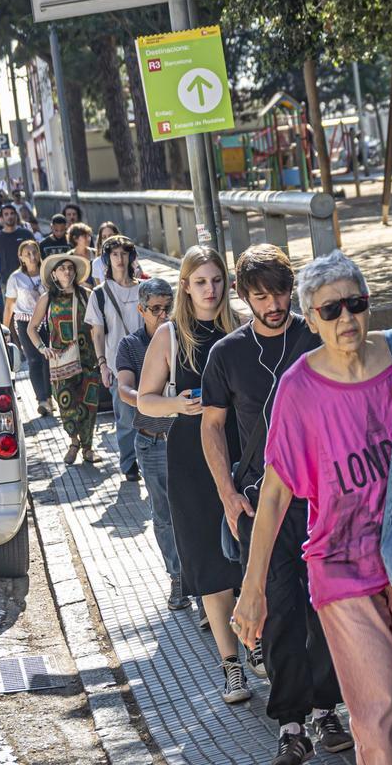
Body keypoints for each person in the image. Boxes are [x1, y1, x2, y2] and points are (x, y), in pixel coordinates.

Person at [233, 250, 392, 765]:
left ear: (368, 304)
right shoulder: (298, 389)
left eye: (354, 304)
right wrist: (253, 589)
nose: (346, 319)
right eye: (330, 310)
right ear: (311, 320)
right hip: (341, 566)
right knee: (376, 716)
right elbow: (274, 492)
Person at [201, 245, 352, 765]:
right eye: (261, 296)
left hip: (323, 500)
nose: (273, 304)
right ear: (243, 298)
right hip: (259, 506)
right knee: (278, 613)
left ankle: (328, 709)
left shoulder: (316, 336)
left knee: (325, 610)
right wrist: (226, 496)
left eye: (281, 292)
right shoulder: (227, 354)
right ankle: (290, 722)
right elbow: (213, 426)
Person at [137, 246, 250, 707]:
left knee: (248, 554)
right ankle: (231, 666)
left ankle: (256, 640)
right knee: (206, 562)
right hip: (188, 454)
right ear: (185, 285)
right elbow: (143, 398)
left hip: (241, 450)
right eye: (200, 281)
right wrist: (177, 404)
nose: (210, 289)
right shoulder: (170, 334)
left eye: (217, 280)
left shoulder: (242, 326)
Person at [115, 278, 187, 609]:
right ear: (141, 310)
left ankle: (200, 577)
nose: (162, 315)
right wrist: (146, 399)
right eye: (155, 309)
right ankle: (177, 578)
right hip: (153, 441)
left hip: (186, 438)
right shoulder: (130, 345)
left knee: (194, 508)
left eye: (167, 307)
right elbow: (125, 388)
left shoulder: (182, 336)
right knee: (165, 514)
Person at [27, 253, 102, 464]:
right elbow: (32, 328)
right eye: (62, 268)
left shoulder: (87, 294)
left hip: (88, 358)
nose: (67, 272)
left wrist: (102, 356)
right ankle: (73, 442)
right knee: (66, 404)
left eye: (70, 268)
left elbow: (98, 326)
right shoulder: (47, 298)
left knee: (88, 404)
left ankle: (88, 448)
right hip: (61, 361)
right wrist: (42, 348)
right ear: (53, 274)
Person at [84, 235, 143, 482]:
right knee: (126, 418)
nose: (120, 259)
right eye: (115, 254)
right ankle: (129, 464)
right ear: (107, 259)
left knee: (154, 414)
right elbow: (96, 332)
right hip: (118, 363)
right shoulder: (99, 294)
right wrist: (102, 365)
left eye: (124, 253)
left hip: (148, 359)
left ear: (131, 257)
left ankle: (152, 459)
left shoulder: (144, 289)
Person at [3, 240, 51, 416]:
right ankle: (42, 400)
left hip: (47, 321)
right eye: (27, 254)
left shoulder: (47, 273)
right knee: (34, 360)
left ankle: (51, 396)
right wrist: (4, 329)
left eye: (34, 252)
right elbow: (9, 305)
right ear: (21, 257)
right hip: (26, 323)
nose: (32, 257)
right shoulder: (16, 278)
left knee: (48, 358)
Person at [0, 203, 36, 305]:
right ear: (2, 218)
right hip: (7, 282)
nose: (10, 216)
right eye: (6, 214)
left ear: (16, 216)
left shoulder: (26, 234)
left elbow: (37, 256)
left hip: (28, 280)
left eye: (12, 213)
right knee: (11, 314)